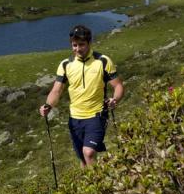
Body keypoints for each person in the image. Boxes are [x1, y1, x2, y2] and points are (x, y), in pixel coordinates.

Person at [39, 24, 124, 167]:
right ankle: (88, 187)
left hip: (97, 115)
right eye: (74, 45)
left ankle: (100, 188)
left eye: (81, 45)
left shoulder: (102, 61)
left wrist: (115, 99)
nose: (77, 49)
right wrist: (48, 106)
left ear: (90, 43)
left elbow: (118, 86)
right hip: (75, 119)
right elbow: (56, 91)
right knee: (83, 160)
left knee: (88, 152)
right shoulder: (66, 65)